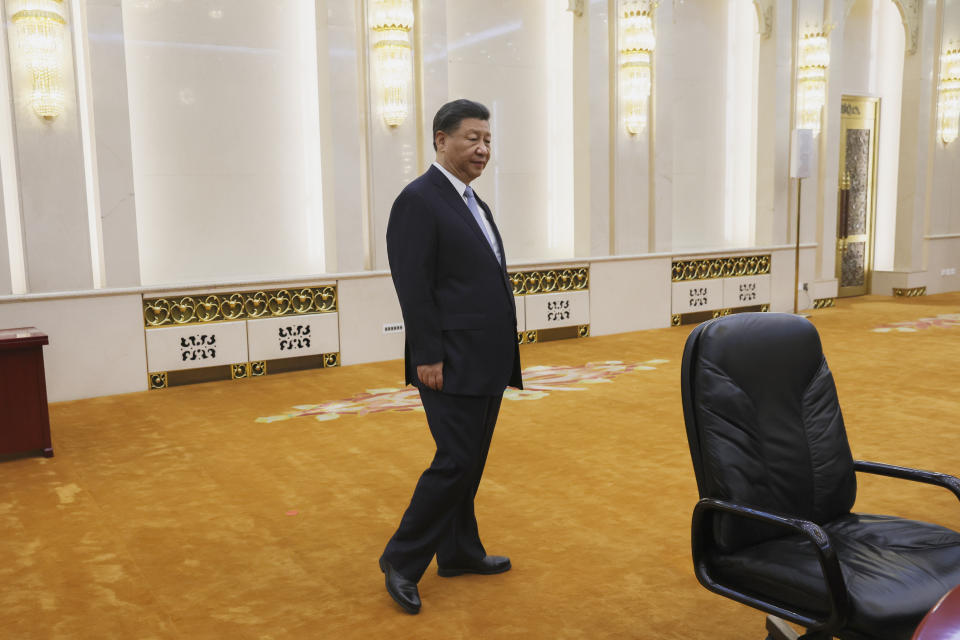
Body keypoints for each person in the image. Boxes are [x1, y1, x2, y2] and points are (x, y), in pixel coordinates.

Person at [378, 98, 523, 615]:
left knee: (471, 461)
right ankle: (401, 559)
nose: (482, 149)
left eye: (487, 140)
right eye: (471, 138)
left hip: (485, 357)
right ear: (441, 139)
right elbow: (413, 285)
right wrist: (428, 355)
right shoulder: (419, 199)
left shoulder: (472, 201)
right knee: (456, 459)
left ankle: (460, 551)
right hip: (450, 359)